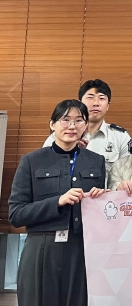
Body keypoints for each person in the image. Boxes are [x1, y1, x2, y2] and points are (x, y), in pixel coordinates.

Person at [9, 99, 107, 306]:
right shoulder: (31, 160)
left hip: (81, 248)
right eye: (65, 119)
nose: (72, 126)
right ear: (52, 124)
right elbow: (16, 214)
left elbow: (99, 215)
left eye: (79, 120)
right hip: (41, 247)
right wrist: (57, 201)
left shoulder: (96, 161)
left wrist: (102, 199)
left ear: (85, 126)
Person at [42, 79, 130, 177]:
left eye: (101, 98)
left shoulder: (120, 137)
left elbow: (128, 174)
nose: (96, 103)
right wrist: (69, 150)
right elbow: (45, 167)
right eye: (90, 97)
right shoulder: (61, 135)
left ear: (108, 105)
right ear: (80, 103)